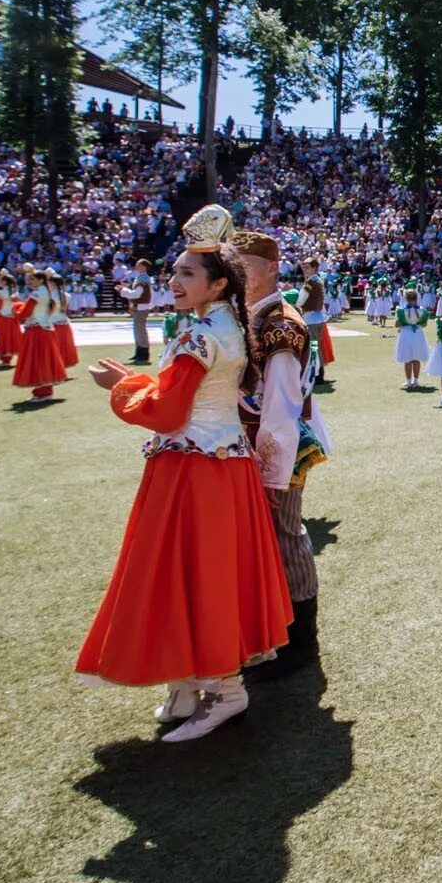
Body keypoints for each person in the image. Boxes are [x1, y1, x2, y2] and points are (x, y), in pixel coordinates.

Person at [75, 206, 293, 742]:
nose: (172, 281)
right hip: (210, 462)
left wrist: (123, 387)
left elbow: (170, 411)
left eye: (185, 274)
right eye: (173, 272)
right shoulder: (218, 325)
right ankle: (188, 681)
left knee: (192, 573)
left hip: (195, 467)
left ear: (217, 284)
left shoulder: (201, 333)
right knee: (193, 572)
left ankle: (221, 687)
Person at [233, 229, 332, 682]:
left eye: (243, 265)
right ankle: (270, 631)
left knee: (285, 535)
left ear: (272, 268)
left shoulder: (280, 323)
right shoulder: (251, 314)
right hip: (248, 446)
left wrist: (272, 475)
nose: (234, 272)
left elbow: (281, 410)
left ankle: (300, 640)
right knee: (263, 539)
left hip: (277, 449)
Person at [12, 268, 69, 401]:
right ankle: (42, 391)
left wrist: (16, 306)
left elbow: (25, 313)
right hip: (43, 328)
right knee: (43, 360)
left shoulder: (37, 294)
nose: (29, 281)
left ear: (41, 280)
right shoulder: (45, 293)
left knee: (37, 360)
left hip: (37, 330)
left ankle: (43, 391)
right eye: (29, 279)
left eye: (32, 279)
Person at [121, 259, 156, 365]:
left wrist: (123, 291)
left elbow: (136, 294)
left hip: (141, 307)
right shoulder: (141, 278)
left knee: (140, 331)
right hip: (140, 306)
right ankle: (140, 351)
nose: (136, 266)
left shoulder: (143, 279)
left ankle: (143, 353)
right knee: (138, 330)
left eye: (138, 265)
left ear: (144, 267)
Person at [392, 289, 429, 390]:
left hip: (406, 333)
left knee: (407, 359)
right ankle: (415, 381)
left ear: (406, 299)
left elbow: (397, 324)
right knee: (416, 358)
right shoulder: (422, 310)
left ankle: (408, 381)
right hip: (417, 333)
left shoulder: (401, 310)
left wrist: (405, 322)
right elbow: (424, 324)